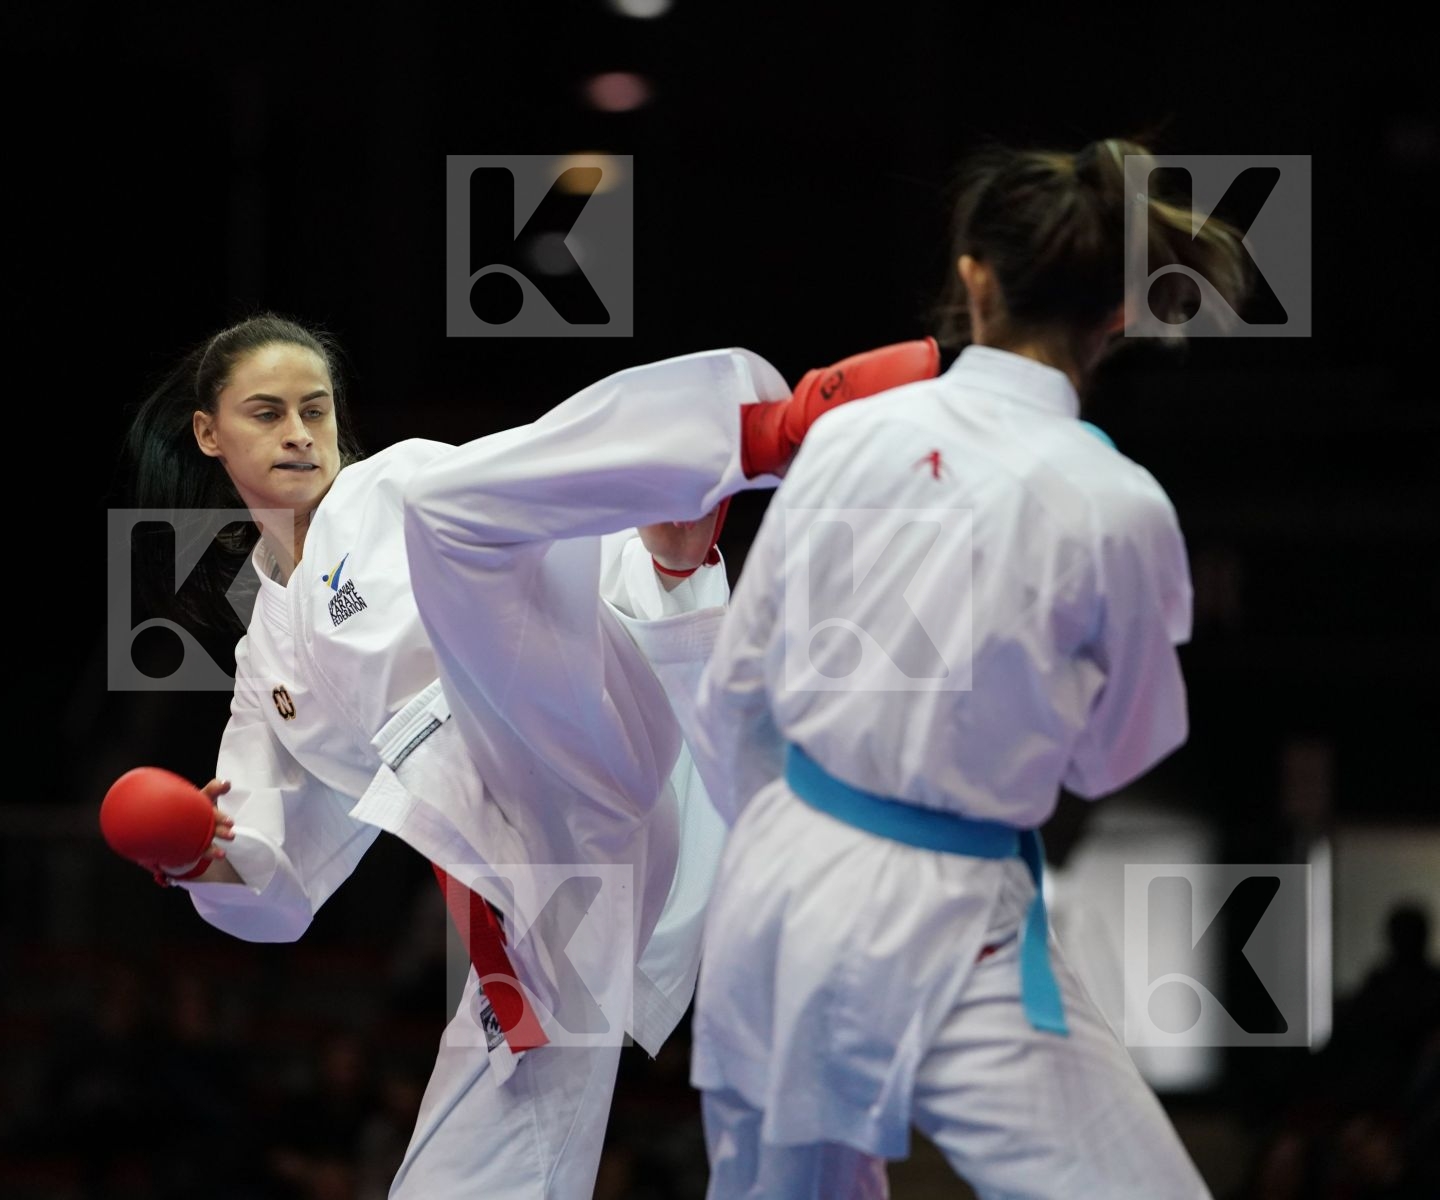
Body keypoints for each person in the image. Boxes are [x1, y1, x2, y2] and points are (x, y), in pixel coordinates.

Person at [104, 313, 941, 1197]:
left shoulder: (396, 487)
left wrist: (663, 566)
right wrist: (198, 852)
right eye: (267, 413)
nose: (301, 434)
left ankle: (759, 427)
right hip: (532, 885)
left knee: (453, 512)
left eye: (316, 410)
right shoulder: (264, 661)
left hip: (571, 750)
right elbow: (281, 886)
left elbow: (543, 521)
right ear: (209, 432)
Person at [688, 136, 1254, 1198]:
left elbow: (738, 681)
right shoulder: (1118, 507)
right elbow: (1112, 754)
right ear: (1118, 315)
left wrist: (777, 848)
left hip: (781, 871)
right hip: (947, 900)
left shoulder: (853, 435)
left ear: (974, 280)